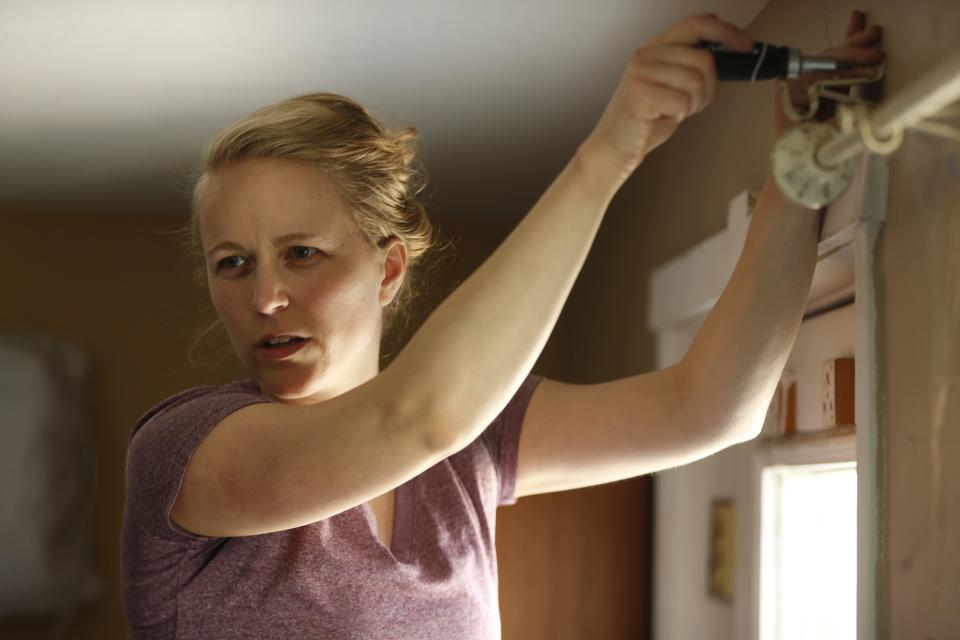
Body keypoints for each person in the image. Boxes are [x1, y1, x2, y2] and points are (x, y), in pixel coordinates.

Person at [121, 11, 883, 640]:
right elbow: (417, 419)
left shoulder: (472, 445)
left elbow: (710, 409)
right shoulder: (182, 452)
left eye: (302, 253)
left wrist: (797, 176)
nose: (266, 297)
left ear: (387, 270)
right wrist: (608, 154)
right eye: (233, 264)